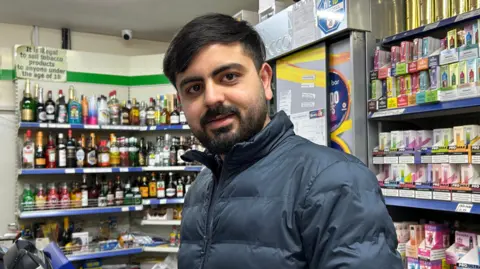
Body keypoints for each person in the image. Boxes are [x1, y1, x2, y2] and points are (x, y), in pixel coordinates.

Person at [163, 13, 403, 269]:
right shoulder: (200, 189)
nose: (212, 98)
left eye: (229, 77)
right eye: (194, 88)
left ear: (265, 80)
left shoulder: (336, 182)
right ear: (181, 102)